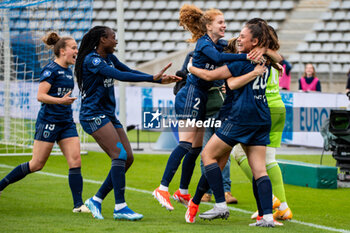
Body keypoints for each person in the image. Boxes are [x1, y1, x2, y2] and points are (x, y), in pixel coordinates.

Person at [152, 4, 258, 211]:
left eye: (225, 22)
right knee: (185, 145)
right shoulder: (204, 44)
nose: (225, 25)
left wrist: (259, 48)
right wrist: (246, 57)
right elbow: (219, 59)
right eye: (220, 22)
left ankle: (182, 191)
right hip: (189, 96)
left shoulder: (217, 43)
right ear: (209, 26)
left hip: (198, 97)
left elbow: (233, 45)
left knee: (196, 149)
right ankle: (162, 187)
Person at [74, 26, 180, 221]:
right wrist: (151, 78)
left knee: (128, 158)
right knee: (119, 155)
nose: (116, 41)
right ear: (102, 40)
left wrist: (157, 80)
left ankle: (96, 200)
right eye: (113, 38)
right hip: (92, 115)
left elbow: (128, 70)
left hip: (108, 114)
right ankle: (120, 207)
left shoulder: (110, 58)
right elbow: (120, 76)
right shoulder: (93, 60)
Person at [185, 21, 282, 227]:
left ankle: (220, 204)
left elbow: (212, 76)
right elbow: (279, 59)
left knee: (208, 156)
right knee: (259, 170)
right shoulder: (264, 59)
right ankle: (266, 217)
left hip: (240, 117)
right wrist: (265, 51)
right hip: (261, 117)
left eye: (242, 36)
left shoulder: (241, 62)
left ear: (254, 41)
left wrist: (191, 67)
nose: (239, 39)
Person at [0, 32, 90, 213]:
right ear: (63, 51)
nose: (76, 51)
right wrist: (60, 101)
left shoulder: (67, 70)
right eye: (73, 48)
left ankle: (78, 205)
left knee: (75, 160)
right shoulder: (51, 70)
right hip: (49, 122)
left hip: (66, 122)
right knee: (36, 165)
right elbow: (40, 96)